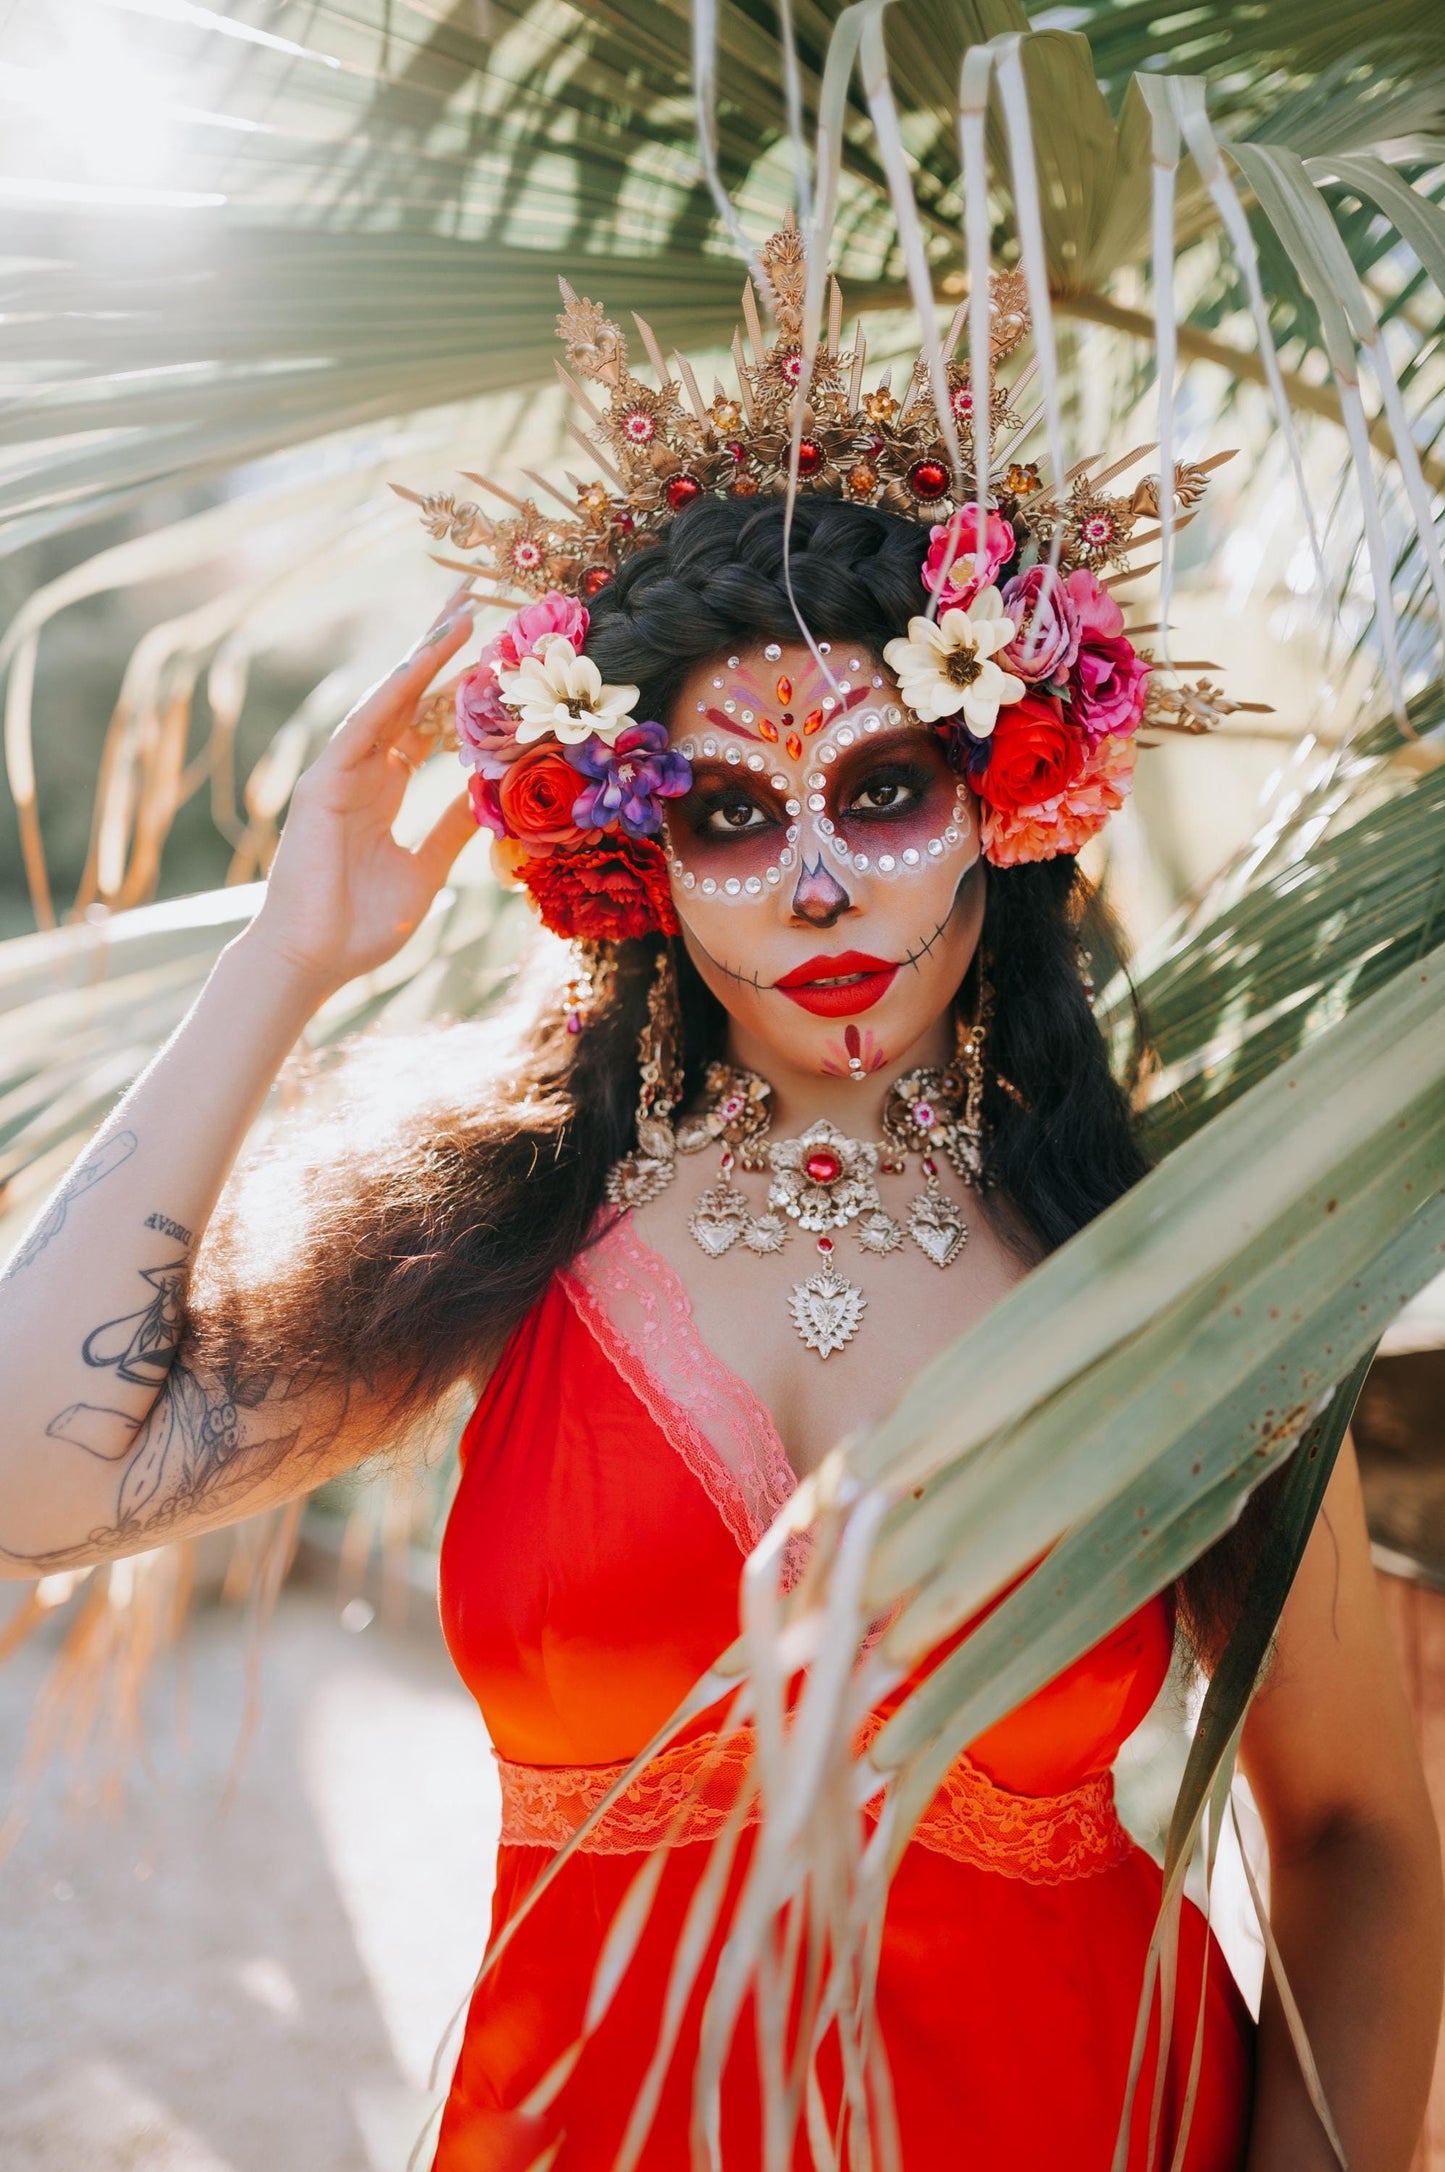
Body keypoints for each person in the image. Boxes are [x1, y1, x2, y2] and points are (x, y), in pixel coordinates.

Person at [0, 238, 1440, 2172]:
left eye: (885, 786)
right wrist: (285, 956)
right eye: (729, 816)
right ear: (636, 855)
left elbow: (1351, 1829)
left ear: (1007, 794)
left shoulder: (1175, 1270)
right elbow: (35, 1484)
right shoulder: (496, 1232)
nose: (818, 883)